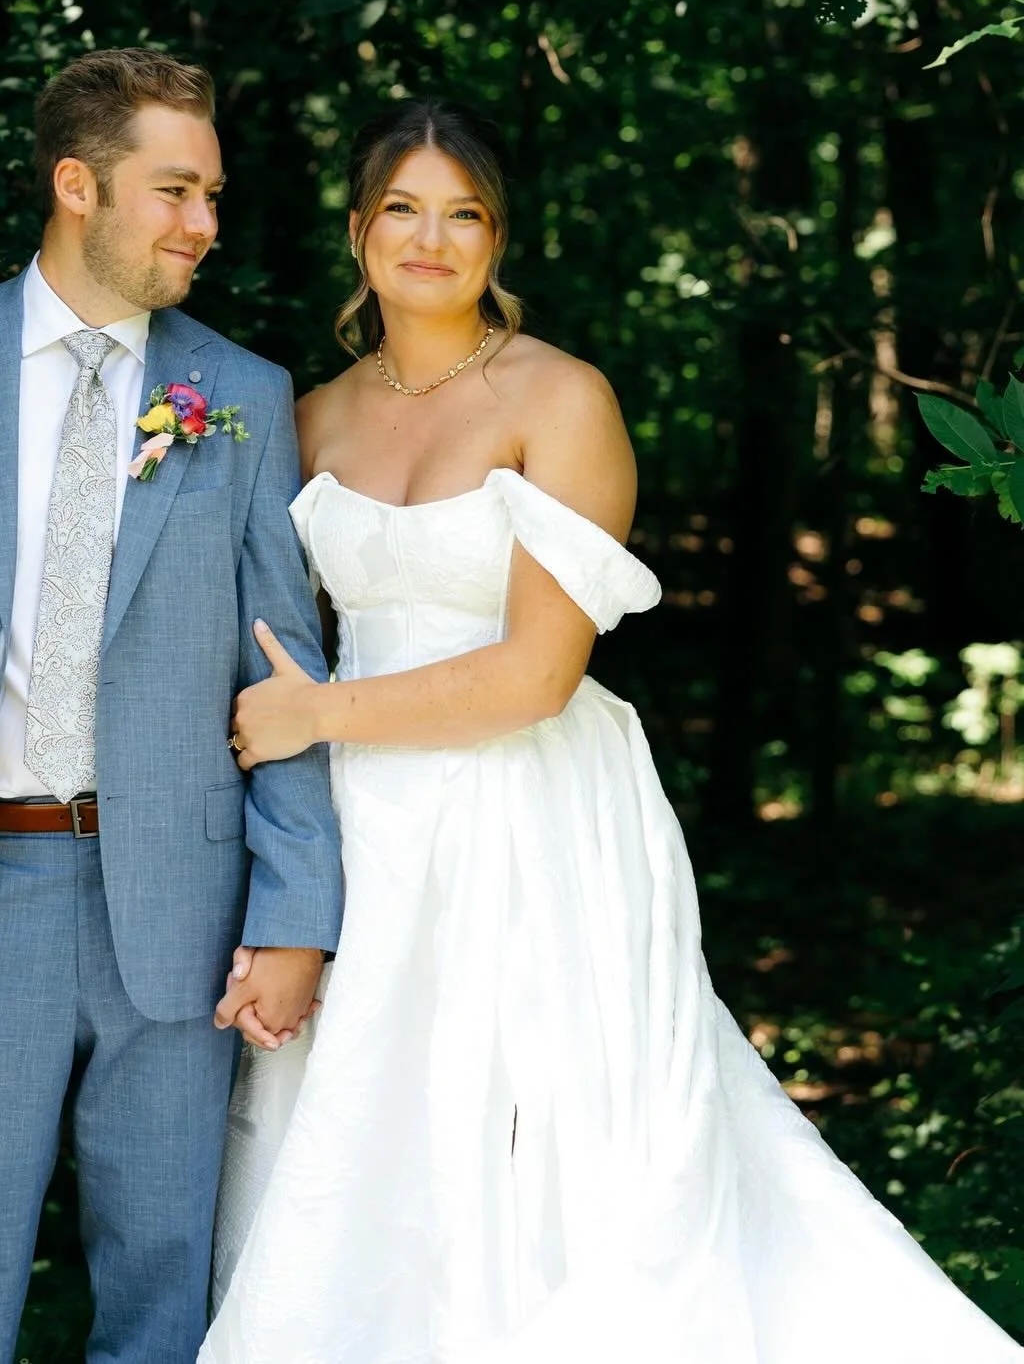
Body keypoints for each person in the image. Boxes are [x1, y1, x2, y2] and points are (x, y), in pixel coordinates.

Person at [200, 99, 1020, 1364]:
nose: (432, 237)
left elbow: (536, 672)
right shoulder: (311, 416)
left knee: (537, 1127)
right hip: (361, 815)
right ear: (360, 232)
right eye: (404, 210)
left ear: (498, 238)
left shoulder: (562, 398)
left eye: (462, 213)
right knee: (363, 1127)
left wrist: (316, 714)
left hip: (524, 804)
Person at [0, 48, 341, 1364]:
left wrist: (293, 913)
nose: (205, 224)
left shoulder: (246, 396)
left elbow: (288, 679)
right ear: (78, 184)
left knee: (161, 1297)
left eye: (211, 194)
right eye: (177, 191)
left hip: (187, 911)